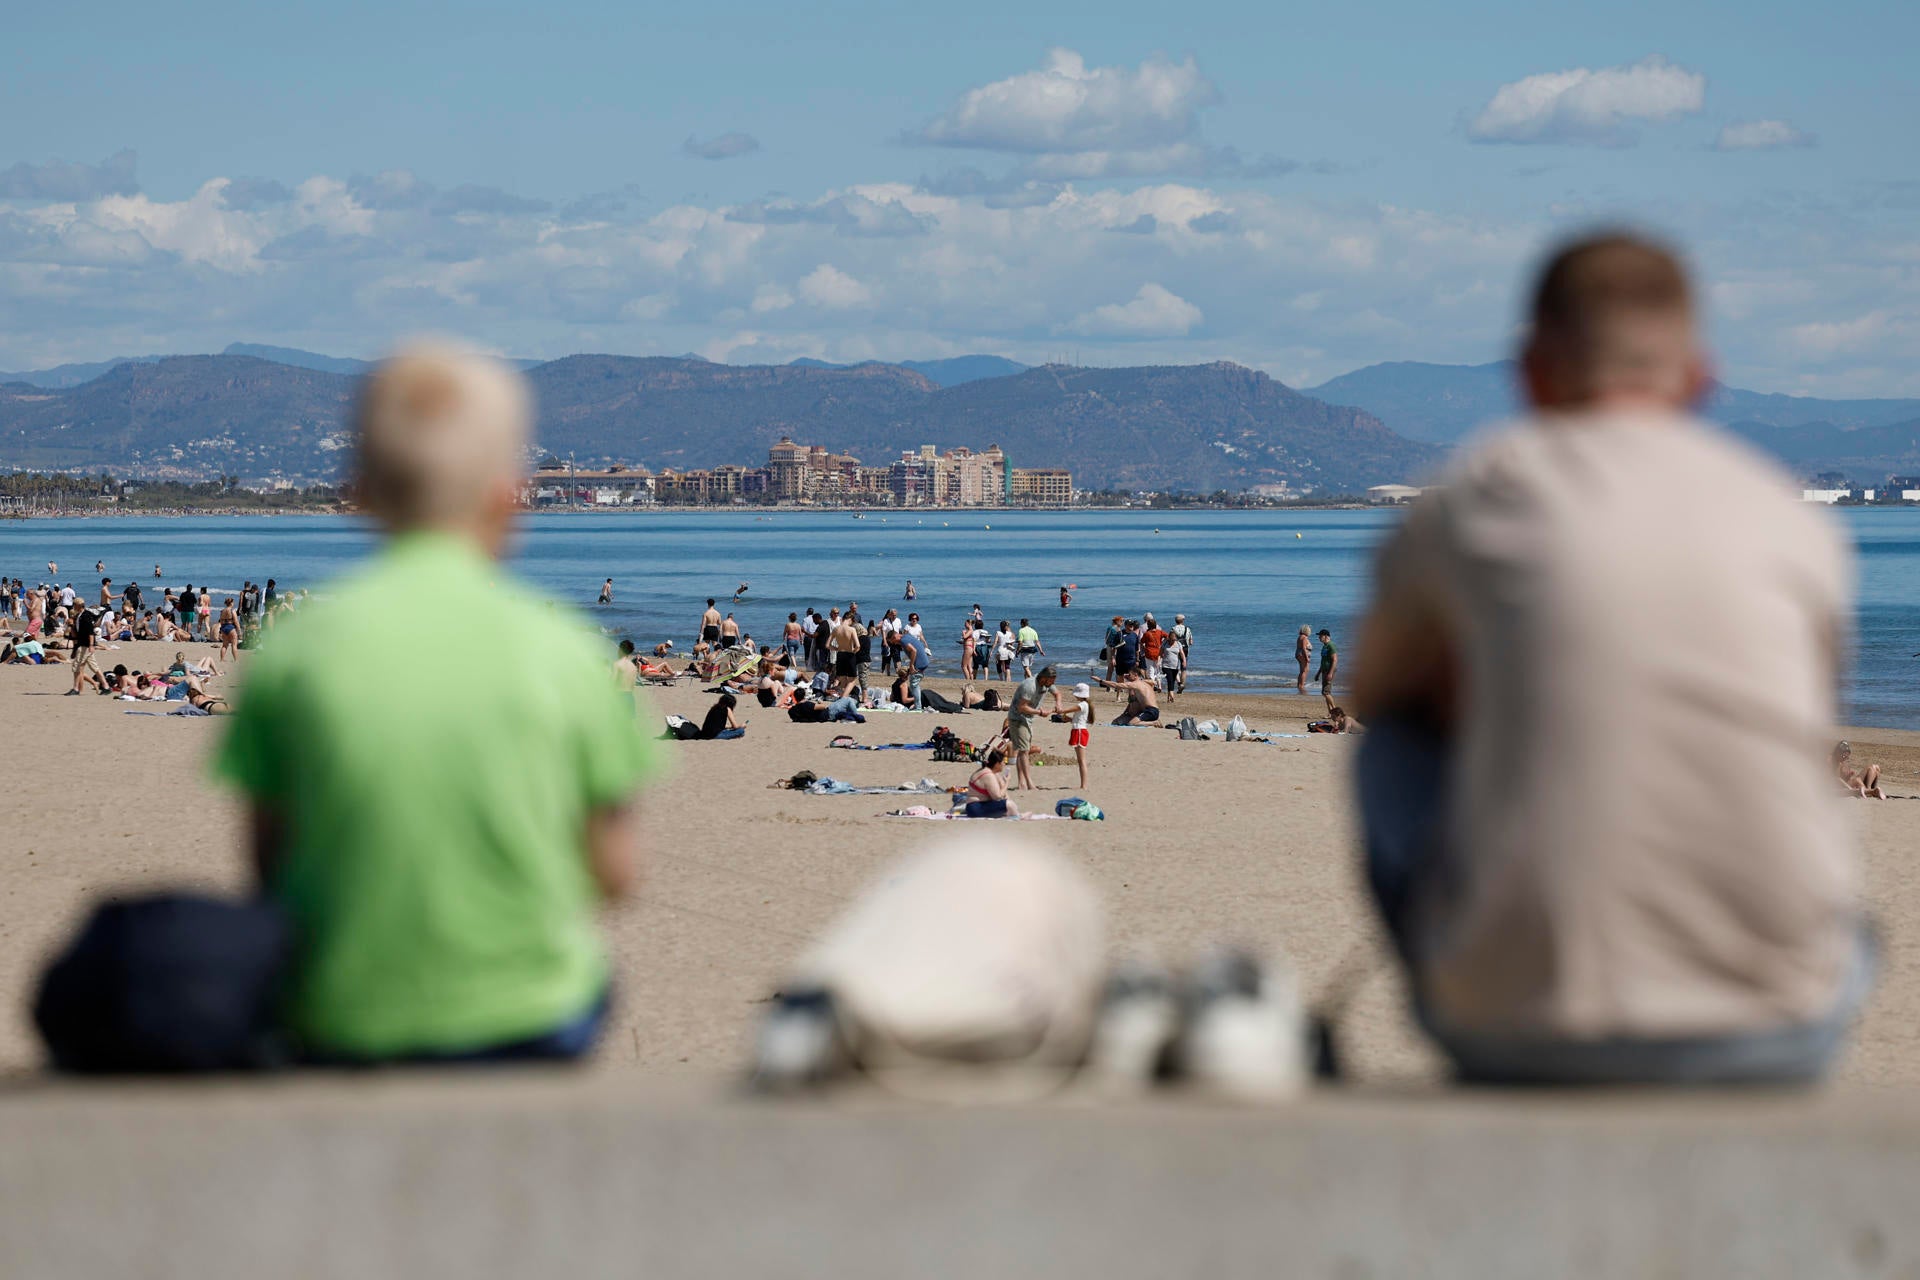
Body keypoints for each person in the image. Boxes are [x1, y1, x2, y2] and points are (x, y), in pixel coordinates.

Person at [1350, 233, 1867, 1087]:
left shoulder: (1473, 498)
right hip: (1784, 1025)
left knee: (1393, 742)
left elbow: (1377, 691)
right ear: (1699, 377)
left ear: (1530, 372)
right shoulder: (1792, 519)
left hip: (1514, 1028)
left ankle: (1470, 962)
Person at [214, 344, 661, 1065]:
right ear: (509, 494)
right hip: (526, 1013)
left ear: (358, 492)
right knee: (589, 983)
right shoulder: (568, 651)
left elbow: (268, 864)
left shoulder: (295, 649)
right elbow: (614, 874)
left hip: (342, 1012)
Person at [1006, 664, 1058, 792]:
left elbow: (1057, 693)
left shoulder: (1046, 684)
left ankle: (1021, 784)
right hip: (1018, 718)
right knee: (1024, 751)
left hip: (1028, 720)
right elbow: (1021, 707)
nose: (1052, 684)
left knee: (1022, 750)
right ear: (1044, 678)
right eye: (1051, 681)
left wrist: (1058, 703)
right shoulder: (1029, 686)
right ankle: (1029, 783)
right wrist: (1040, 712)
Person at [957, 749, 1019, 818]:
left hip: (982, 805)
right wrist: (1007, 782)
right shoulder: (988, 775)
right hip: (975, 808)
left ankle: (1015, 815)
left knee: (1009, 804)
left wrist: (1003, 784)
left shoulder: (993, 773)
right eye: (1003, 762)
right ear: (997, 764)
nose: (1004, 764)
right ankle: (1018, 818)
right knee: (1010, 805)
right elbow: (997, 797)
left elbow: (1004, 794)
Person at [1095, 668, 1159, 726]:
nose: (1127, 676)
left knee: (1131, 723)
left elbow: (1117, 685)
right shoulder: (1140, 684)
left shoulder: (1136, 684)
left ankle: (1155, 723)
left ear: (1135, 675)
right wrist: (1124, 714)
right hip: (1147, 711)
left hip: (1151, 711)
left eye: (1129, 675)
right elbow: (1132, 703)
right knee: (1116, 722)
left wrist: (1101, 681)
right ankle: (1144, 721)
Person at [1066, 681, 1092, 790]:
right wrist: (1069, 719)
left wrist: (1058, 710)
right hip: (1078, 729)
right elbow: (1078, 719)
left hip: (1080, 731)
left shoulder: (1082, 705)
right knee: (1080, 760)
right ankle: (1083, 785)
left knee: (1081, 760)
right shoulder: (1084, 705)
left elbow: (1068, 709)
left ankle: (1084, 785)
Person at [1315, 628, 1337, 711]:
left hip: (1329, 671)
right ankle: (1330, 712)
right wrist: (1318, 673)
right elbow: (1323, 661)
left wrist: (1330, 673)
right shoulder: (1324, 646)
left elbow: (1335, 660)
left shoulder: (1331, 645)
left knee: (1326, 692)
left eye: (1320, 636)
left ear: (1326, 636)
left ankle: (1335, 711)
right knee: (1325, 693)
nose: (1319, 637)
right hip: (1324, 671)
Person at [1295, 625, 1313, 694]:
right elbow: (1304, 648)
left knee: (1302, 671)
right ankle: (1301, 685)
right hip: (1302, 655)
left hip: (1298, 654)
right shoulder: (1304, 638)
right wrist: (1307, 658)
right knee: (1305, 671)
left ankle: (1299, 685)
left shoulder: (1300, 637)